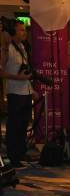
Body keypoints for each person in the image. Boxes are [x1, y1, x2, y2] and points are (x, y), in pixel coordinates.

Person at [0, 20, 37, 167]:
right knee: (14, 126)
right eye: (21, 30)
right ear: (13, 32)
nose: (24, 32)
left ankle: (21, 153)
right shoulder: (6, 48)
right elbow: (1, 72)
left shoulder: (22, 47)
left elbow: (25, 71)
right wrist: (19, 78)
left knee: (23, 125)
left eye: (24, 30)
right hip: (15, 92)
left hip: (26, 92)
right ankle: (13, 156)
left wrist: (32, 89)